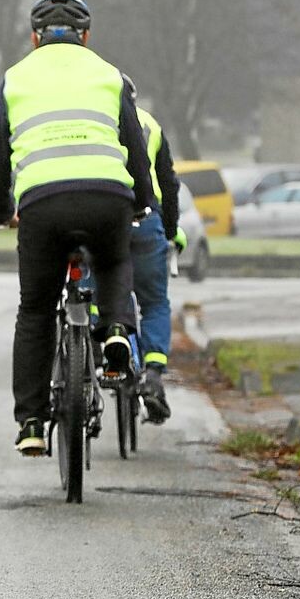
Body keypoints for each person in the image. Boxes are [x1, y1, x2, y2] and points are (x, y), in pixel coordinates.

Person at [0, 0, 155, 456]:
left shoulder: (15, 78)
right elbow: (135, 145)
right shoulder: (108, 75)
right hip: (106, 198)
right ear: (86, 36)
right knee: (115, 263)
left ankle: (32, 422)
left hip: (43, 203)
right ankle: (116, 330)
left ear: (35, 38)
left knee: (35, 311)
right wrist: (143, 201)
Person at [130, 103, 186, 424]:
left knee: (107, 283)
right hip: (148, 218)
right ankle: (152, 373)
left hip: (104, 214)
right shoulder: (151, 124)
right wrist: (171, 231)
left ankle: (108, 340)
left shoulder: (90, 112)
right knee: (154, 303)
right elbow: (169, 183)